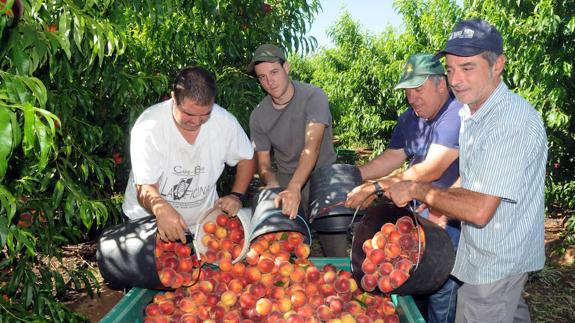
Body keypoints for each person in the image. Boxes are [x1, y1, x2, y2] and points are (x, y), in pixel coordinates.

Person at [385, 19, 547, 323]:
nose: (456, 79)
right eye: (451, 69)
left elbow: (480, 209)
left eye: (468, 68)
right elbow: (473, 178)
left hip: (495, 262)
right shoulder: (473, 112)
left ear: (498, 64)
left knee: (478, 311)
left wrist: (419, 190)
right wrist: (440, 210)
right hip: (488, 252)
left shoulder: (508, 121)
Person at [345, 53, 462, 323]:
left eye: (419, 89)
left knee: (442, 294)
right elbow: (392, 156)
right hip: (417, 219)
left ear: (441, 85)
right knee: (412, 291)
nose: (412, 98)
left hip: (448, 223)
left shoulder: (455, 114)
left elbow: (432, 169)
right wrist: (354, 175)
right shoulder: (411, 117)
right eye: (408, 91)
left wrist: (375, 187)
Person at [122, 66, 256, 243]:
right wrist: (160, 208)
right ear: (173, 98)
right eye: (189, 114)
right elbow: (144, 187)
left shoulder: (224, 123)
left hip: (201, 227)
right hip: (147, 223)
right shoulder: (149, 127)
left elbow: (246, 156)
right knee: (148, 270)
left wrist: (236, 195)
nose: (196, 121)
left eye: (205, 115)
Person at [247, 44, 345, 256]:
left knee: (335, 246)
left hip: (322, 176)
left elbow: (312, 147)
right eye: (262, 77)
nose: (269, 81)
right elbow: (263, 164)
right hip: (286, 177)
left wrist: (295, 188)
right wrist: (273, 185)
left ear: (287, 68)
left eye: (274, 72)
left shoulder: (313, 96)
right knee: (285, 248)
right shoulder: (258, 116)